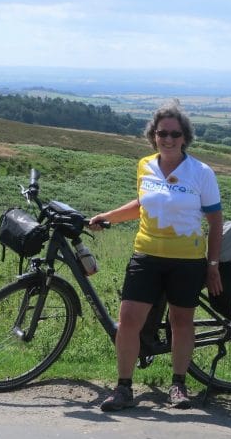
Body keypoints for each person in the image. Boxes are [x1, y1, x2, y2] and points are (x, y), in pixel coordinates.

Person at [89, 101, 223, 412]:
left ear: (184, 137)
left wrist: (213, 265)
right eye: (162, 133)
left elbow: (216, 221)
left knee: (181, 322)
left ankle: (178, 385)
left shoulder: (201, 173)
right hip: (146, 254)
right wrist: (108, 216)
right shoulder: (144, 165)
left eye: (175, 133)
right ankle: (123, 388)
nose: (168, 139)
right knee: (128, 321)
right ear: (153, 135)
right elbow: (142, 204)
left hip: (187, 260)